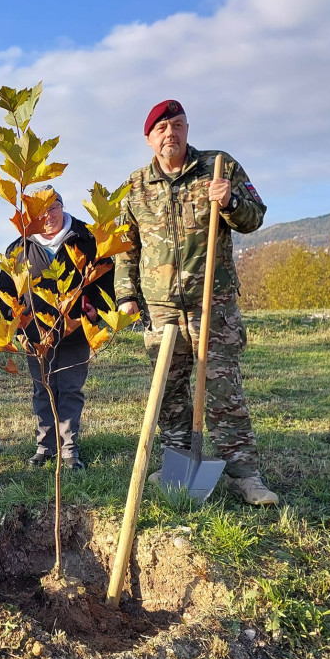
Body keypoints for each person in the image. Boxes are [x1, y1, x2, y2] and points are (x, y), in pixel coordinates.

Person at [115, 100, 278, 506]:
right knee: (169, 392)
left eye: (177, 125)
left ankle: (245, 474)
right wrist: (126, 295)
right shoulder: (134, 187)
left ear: (187, 129)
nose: (170, 133)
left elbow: (255, 217)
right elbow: (124, 249)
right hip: (162, 308)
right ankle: (178, 465)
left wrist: (230, 203)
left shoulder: (219, 167)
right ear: (149, 138)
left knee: (223, 388)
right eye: (162, 129)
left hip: (213, 304)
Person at [0, 187, 114, 470]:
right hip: (36, 335)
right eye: (40, 211)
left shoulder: (87, 239)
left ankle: (69, 449)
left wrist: (97, 309)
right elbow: (4, 291)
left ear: (62, 206)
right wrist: (17, 324)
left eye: (53, 208)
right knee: (42, 388)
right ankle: (46, 445)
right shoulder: (19, 247)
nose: (47, 216)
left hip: (76, 330)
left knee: (71, 389)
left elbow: (107, 279)